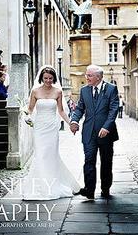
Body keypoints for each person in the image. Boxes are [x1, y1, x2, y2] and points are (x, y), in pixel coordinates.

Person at [20, 66, 80, 200]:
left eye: (50, 78)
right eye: (45, 78)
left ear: (54, 79)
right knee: (40, 155)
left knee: (51, 155)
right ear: (41, 78)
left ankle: (53, 185)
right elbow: (30, 109)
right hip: (39, 127)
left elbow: (61, 111)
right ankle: (39, 186)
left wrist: (70, 123)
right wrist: (26, 115)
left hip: (52, 128)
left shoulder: (58, 92)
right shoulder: (35, 91)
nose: (48, 80)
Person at [70, 65, 119, 199]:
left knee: (106, 162)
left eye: (89, 75)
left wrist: (106, 127)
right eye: (86, 75)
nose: (87, 77)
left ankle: (105, 189)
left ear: (99, 77)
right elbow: (80, 108)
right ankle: (89, 190)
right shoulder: (84, 90)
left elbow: (113, 110)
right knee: (89, 160)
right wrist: (74, 121)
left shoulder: (111, 89)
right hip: (89, 132)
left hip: (106, 133)